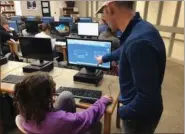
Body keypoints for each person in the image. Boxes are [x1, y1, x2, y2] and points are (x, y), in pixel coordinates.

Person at [96, 1, 166, 134]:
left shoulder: (138, 42)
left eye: (103, 13)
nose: (104, 19)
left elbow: (147, 99)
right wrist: (104, 58)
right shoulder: (140, 29)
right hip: (141, 109)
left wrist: (122, 112)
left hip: (138, 116)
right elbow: (123, 50)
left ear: (110, 9)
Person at [14, 73, 112, 134]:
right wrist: (101, 101)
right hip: (55, 127)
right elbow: (87, 117)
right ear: (45, 98)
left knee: (66, 96)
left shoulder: (25, 112)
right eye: (52, 92)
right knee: (96, 123)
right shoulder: (61, 120)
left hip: (45, 128)